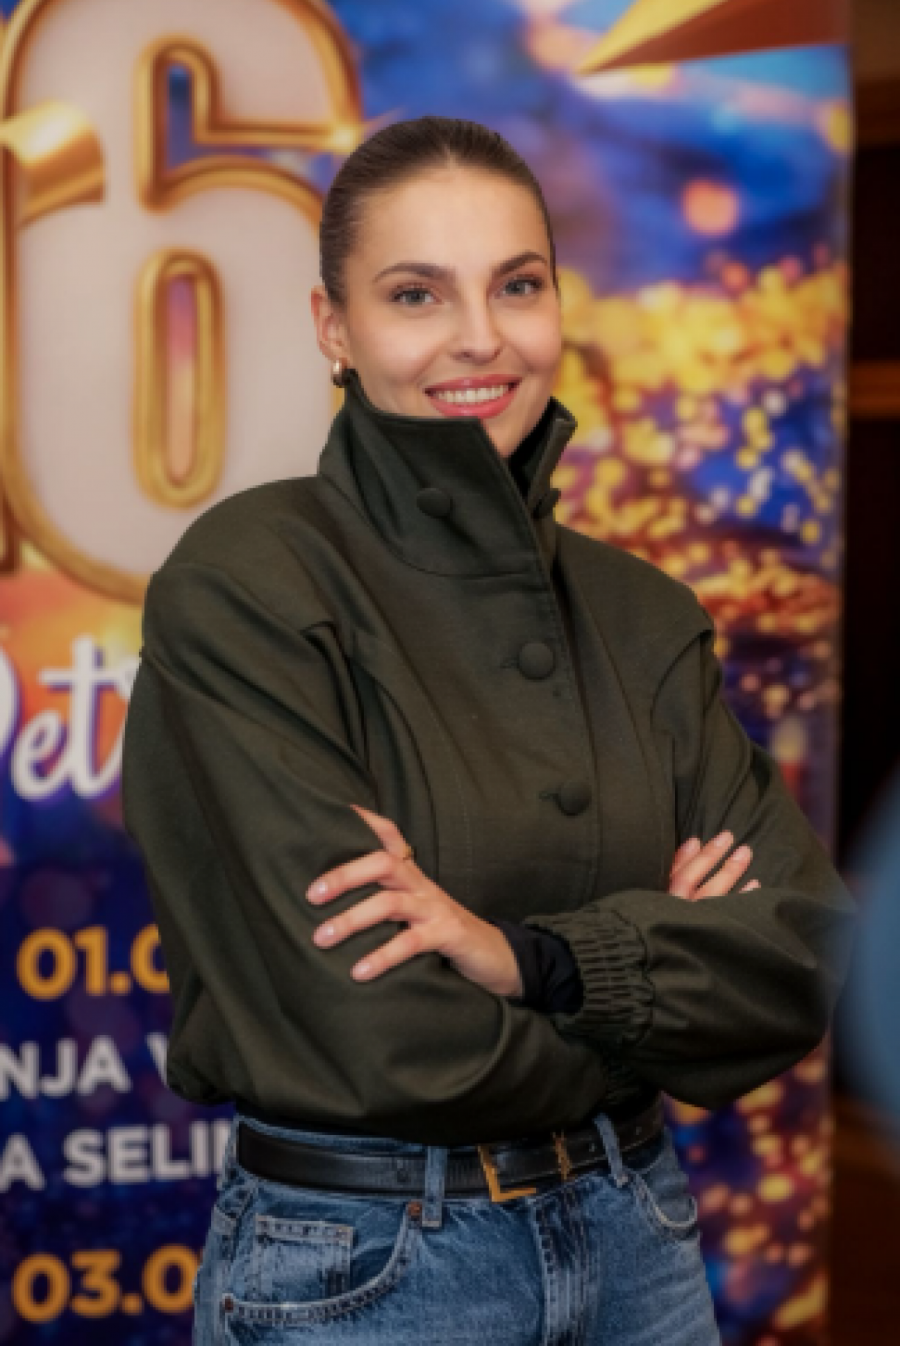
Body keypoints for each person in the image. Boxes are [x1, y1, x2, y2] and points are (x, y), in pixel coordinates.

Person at [121, 116, 859, 1345]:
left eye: (517, 284)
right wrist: (656, 995)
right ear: (333, 327)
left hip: (641, 1241)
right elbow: (378, 1038)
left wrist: (526, 959)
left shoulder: (644, 610)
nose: (480, 336)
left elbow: (797, 955)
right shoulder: (248, 584)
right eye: (416, 293)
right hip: (371, 1267)